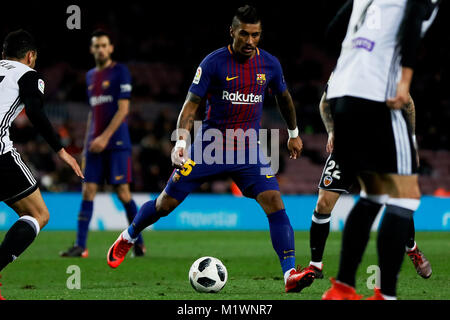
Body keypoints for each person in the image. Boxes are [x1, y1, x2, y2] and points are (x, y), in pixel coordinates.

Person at [106, 5, 316, 293]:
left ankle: (289, 274)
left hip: (248, 149)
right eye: (244, 34)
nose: (250, 41)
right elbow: (191, 105)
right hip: (209, 147)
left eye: (256, 35)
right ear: (232, 32)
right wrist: (181, 142)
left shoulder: (270, 65)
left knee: (275, 203)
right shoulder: (213, 63)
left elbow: (285, 98)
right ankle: (128, 237)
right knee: (165, 204)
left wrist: (293, 133)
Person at [321, 0, 440, 300]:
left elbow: (332, 30)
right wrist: (405, 81)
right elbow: (413, 25)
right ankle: (386, 295)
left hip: (341, 96)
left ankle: (343, 288)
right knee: (405, 197)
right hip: (378, 96)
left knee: (373, 194)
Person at [304, 85, 432, 280]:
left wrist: (411, 142)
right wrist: (331, 131)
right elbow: (324, 102)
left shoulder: (383, 67)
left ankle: (411, 248)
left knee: (394, 199)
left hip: (380, 145)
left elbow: (408, 104)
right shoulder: (344, 68)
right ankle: (315, 265)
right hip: (346, 145)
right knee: (323, 203)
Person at [0, 29, 83, 297]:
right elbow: (35, 111)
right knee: (38, 214)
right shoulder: (27, 74)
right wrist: (61, 151)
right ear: (31, 56)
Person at [60, 30, 145, 258]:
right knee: (87, 191)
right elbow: (93, 114)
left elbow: (123, 109)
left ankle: (139, 242)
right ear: (92, 49)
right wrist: (88, 145)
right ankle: (80, 246)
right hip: (94, 145)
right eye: (96, 46)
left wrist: (104, 138)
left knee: (123, 194)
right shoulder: (89, 76)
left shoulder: (120, 72)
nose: (100, 49)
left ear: (110, 48)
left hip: (117, 143)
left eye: (103, 45)